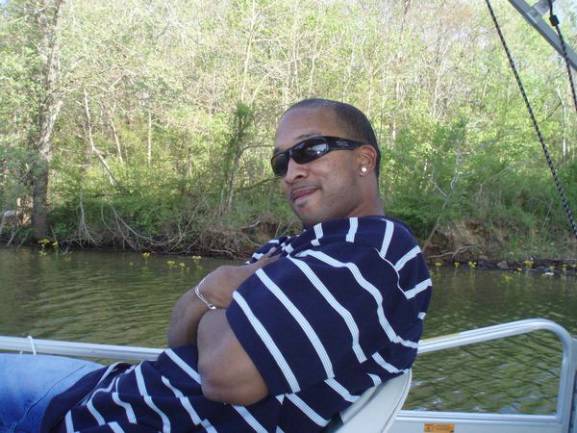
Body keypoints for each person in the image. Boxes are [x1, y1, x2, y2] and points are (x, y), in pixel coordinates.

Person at [0, 98, 431, 433]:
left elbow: (227, 376)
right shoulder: (297, 247)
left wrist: (226, 294)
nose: (291, 173)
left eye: (309, 150)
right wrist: (214, 287)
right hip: (107, 392)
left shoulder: (372, 253)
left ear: (364, 159)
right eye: (281, 161)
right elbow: (178, 336)